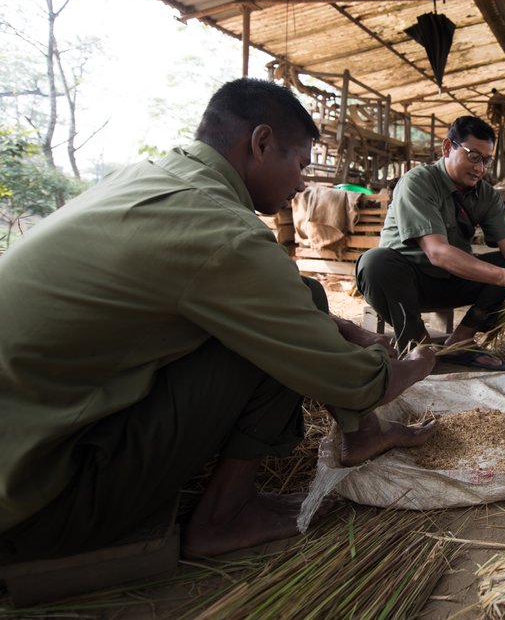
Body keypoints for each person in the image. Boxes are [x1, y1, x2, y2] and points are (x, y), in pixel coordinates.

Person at [0, 78, 438, 564]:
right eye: (299, 164)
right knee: (268, 339)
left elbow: (287, 297)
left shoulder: (153, 177)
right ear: (261, 142)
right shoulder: (220, 229)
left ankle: (362, 436)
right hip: (38, 505)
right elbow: (355, 381)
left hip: (30, 452)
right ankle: (225, 516)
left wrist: (346, 328)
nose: (300, 184)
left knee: (299, 295)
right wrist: (416, 364)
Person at [356, 115, 505, 371]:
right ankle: (417, 345)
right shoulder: (419, 182)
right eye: (473, 156)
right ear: (448, 148)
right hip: (405, 285)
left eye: (486, 161)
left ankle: (461, 341)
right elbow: (437, 252)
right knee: (374, 262)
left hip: (450, 282)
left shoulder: (485, 194)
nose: (480, 168)